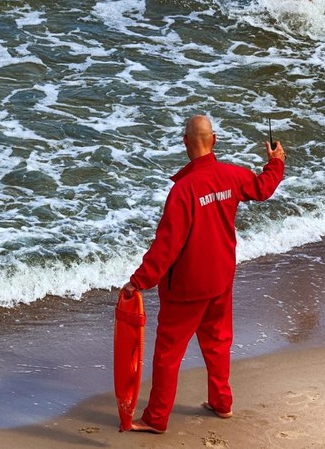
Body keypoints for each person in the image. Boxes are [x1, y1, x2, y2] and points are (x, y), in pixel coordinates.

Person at [122, 114, 285, 433]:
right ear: (214, 140)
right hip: (220, 278)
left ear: (185, 143)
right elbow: (263, 188)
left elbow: (166, 246)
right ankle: (222, 403)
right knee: (218, 342)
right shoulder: (232, 176)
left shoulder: (183, 190)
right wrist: (276, 162)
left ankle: (156, 418)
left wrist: (138, 281)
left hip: (186, 288)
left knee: (168, 355)